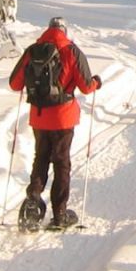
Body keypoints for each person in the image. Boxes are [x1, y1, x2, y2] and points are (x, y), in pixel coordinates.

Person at [9, 17, 102, 228]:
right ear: (64, 31)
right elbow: (86, 86)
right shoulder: (71, 50)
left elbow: (15, 84)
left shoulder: (33, 50)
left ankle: (33, 201)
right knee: (61, 163)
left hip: (39, 117)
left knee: (40, 157)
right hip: (63, 117)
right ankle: (59, 214)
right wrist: (96, 82)